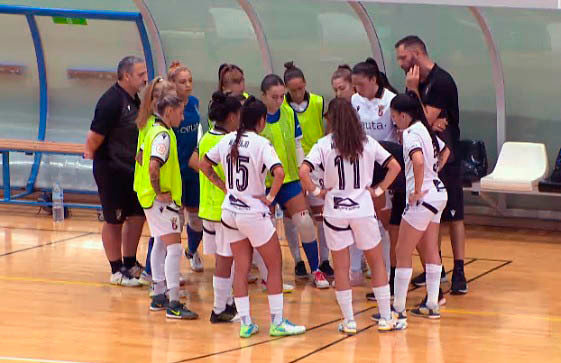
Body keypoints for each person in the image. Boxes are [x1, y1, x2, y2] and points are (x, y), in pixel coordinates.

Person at [200, 96, 306, 338]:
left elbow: (205, 165)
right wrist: (269, 198)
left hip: (230, 210)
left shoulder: (227, 140)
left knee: (241, 267)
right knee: (274, 264)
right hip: (252, 212)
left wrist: (223, 186)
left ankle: (246, 322)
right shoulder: (261, 143)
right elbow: (279, 173)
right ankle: (277, 321)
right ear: (261, 121)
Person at [300, 98, 401, 334]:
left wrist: (317, 191)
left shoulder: (323, 144)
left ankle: (349, 321)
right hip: (363, 209)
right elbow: (394, 166)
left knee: (341, 267)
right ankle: (386, 317)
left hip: (335, 210)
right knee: (376, 262)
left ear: (330, 119)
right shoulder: (367, 142)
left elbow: (304, 171)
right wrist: (378, 190)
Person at [395, 35, 467, 295]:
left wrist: (415, 95)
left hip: (447, 155)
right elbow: (416, 121)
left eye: (403, 57)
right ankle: (434, 267)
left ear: (416, 53)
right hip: (426, 157)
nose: (401, 63)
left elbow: (422, 119)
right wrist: (426, 118)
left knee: (454, 215)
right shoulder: (412, 83)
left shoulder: (441, 81)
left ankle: (460, 270)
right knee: (429, 218)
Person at [386, 92, 450, 328]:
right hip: (439, 193)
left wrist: (417, 189)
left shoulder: (412, 133)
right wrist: (433, 175)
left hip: (423, 198)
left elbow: (418, 161)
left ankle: (398, 309)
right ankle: (432, 304)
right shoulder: (427, 129)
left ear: (404, 115)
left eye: (394, 116)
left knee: (402, 251)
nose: (393, 121)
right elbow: (446, 150)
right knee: (431, 250)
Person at [260, 74, 329, 289]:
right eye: (274, 97)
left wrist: (302, 172)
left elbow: (298, 144)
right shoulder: (256, 118)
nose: (279, 101)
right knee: (266, 230)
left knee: (306, 222)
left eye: (282, 96)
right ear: (263, 96)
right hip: (266, 183)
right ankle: (268, 277)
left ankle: (316, 269)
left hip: (289, 179)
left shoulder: (288, 112)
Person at [85, 56, 148, 286]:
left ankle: (130, 263)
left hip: (132, 170)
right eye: (140, 75)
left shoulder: (135, 99)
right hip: (112, 171)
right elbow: (93, 138)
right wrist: (98, 161)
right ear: (126, 76)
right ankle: (116, 270)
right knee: (115, 220)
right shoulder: (111, 101)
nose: (145, 78)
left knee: (137, 216)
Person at [136, 93, 198, 320]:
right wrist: (160, 191)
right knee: (173, 248)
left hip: (148, 199)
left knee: (160, 244)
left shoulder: (152, 130)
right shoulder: (163, 136)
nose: (182, 118)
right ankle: (173, 302)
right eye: (180, 113)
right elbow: (153, 165)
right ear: (169, 112)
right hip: (161, 202)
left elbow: (139, 157)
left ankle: (159, 295)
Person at [351, 58, 405, 300]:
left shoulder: (391, 100)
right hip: (361, 165)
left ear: (374, 80)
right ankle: (365, 272)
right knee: (362, 217)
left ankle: (388, 277)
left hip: (386, 164)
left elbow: (400, 132)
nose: (358, 90)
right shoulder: (355, 100)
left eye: (361, 84)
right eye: (355, 85)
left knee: (385, 222)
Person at [282, 61, 334, 279]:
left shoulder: (319, 103)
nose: (297, 93)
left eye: (300, 88)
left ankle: (324, 260)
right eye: (292, 90)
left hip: (316, 168)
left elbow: (327, 130)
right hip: (292, 170)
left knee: (321, 217)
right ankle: (297, 260)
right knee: (293, 219)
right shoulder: (282, 108)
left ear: (305, 84)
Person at [197, 91, 242, 323]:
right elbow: (206, 167)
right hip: (221, 209)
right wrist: (224, 185)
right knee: (226, 259)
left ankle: (226, 303)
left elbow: (199, 164)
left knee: (223, 259)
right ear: (232, 117)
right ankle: (219, 308)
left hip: (208, 207)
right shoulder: (225, 141)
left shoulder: (206, 136)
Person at [134, 76, 177, 285]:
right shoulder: (158, 128)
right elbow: (149, 161)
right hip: (154, 193)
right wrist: (158, 187)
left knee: (159, 239)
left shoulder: (148, 123)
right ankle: (166, 289)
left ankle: (159, 285)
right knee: (170, 244)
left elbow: (140, 155)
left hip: (145, 189)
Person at [167, 61, 204, 273]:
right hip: (175, 170)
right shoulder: (167, 107)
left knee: (197, 219)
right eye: (182, 82)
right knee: (176, 220)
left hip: (192, 169)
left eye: (190, 81)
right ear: (173, 84)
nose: (188, 85)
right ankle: (168, 269)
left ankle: (192, 251)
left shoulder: (195, 103)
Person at [330, 64, 366, 286]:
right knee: (347, 224)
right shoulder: (338, 112)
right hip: (345, 178)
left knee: (372, 224)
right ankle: (354, 268)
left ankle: (370, 267)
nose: (338, 93)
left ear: (352, 87)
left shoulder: (360, 108)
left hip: (364, 174)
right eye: (334, 89)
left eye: (341, 88)